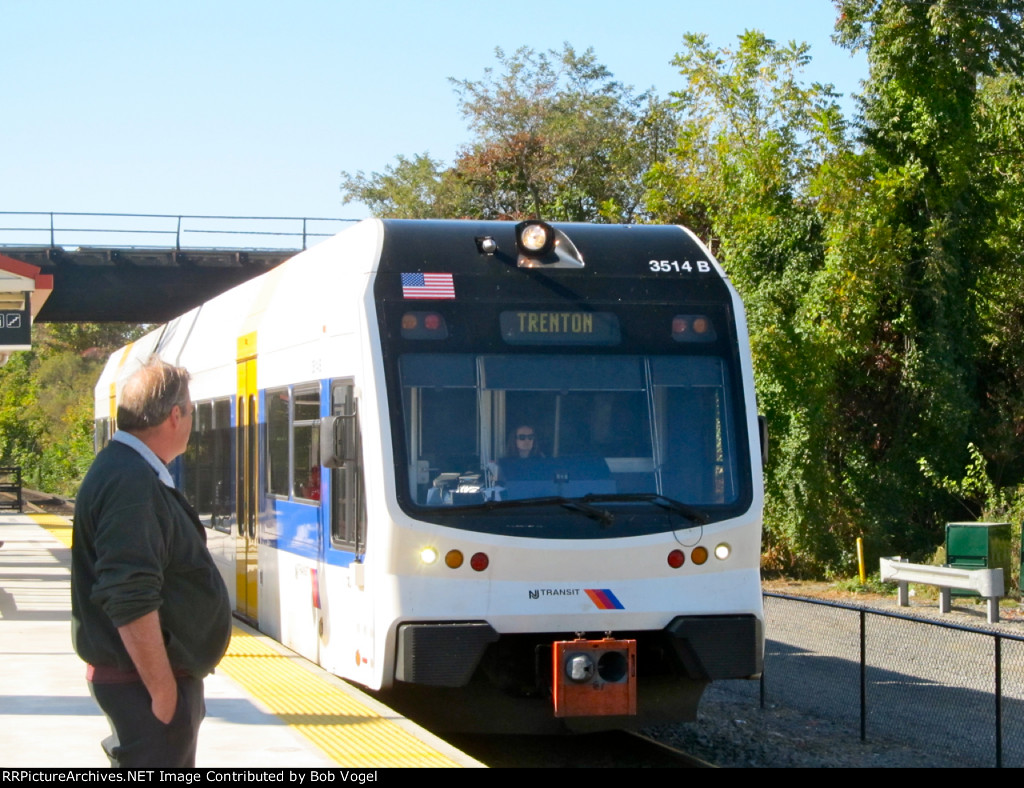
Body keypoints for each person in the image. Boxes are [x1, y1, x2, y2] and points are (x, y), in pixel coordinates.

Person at [71, 357, 231, 768]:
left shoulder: (130, 470)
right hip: (143, 687)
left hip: (141, 683)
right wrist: (163, 694)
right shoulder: (132, 482)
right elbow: (129, 594)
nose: (193, 422)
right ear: (175, 415)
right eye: (192, 412)